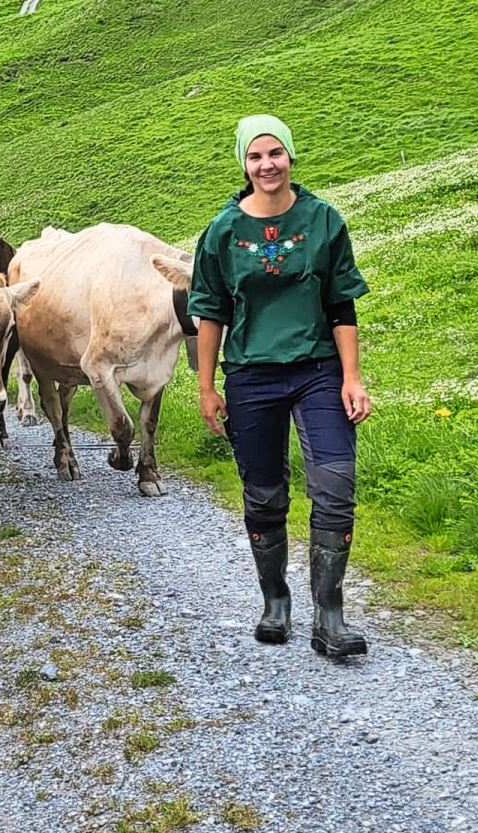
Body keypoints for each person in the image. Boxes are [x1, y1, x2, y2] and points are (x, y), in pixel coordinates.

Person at [188, 114, 372, 658]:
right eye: (255, 157)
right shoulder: (221, 232)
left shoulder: (323, 221)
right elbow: (209, 314)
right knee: (264, 493)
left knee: (335, 486)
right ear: (244, 164)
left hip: (319, 371)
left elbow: (341, 305)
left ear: (290, 157)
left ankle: (330, 616)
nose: (266, 165)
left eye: (275, 154)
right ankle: (275, 601)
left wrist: (353, 377)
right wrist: (206, 387)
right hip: (251, 376)